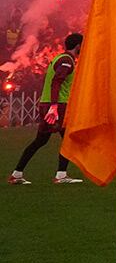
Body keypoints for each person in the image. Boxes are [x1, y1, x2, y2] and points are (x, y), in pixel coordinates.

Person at [10, 32, 83, 184]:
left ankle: (17, 174)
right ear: (78, 46)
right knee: (68, 140)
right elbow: (56, 82)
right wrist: (55, 106)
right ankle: (61, 175)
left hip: (46, 103)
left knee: (40, 141)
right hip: (57, 105)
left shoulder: (58, 58)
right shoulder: (67, 61)